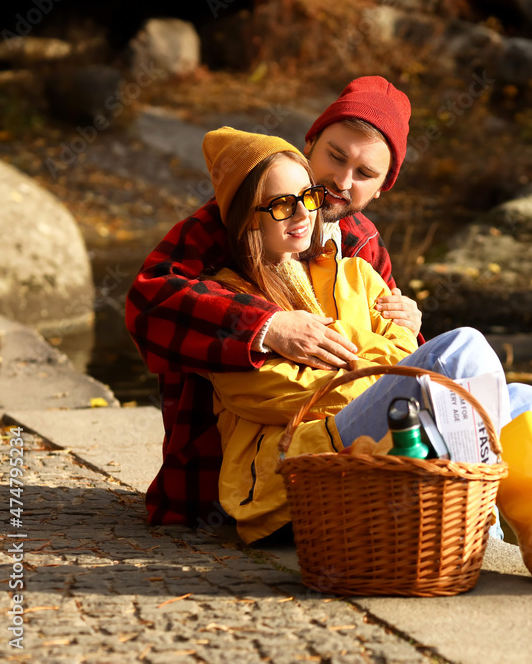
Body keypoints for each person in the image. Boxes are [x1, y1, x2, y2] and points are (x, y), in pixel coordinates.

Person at [198, 126, 532, 592]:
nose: (301, 215)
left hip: (363, 451)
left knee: (524, 399)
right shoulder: (233, 303)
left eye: (307, 200)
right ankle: (515, 522)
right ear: (247, 215)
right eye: (280, 205)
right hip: (291, 479)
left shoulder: (355, 275)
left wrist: (351, 358)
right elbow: (277, 394)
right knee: (463, 348)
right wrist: (377, 364)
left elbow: (403, 355)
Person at [125, 77, 423, 528]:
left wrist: (411, 322)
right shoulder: (238, 213)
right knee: (455, 364)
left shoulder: (362, 243)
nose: (342, 182)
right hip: (217, 474)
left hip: (343, 452)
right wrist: (268, 326)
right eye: (335, 157)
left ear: (382, 188)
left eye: (364, 175)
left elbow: (402, 354)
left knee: (482, 391)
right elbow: (149, 301)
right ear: (309, 145)